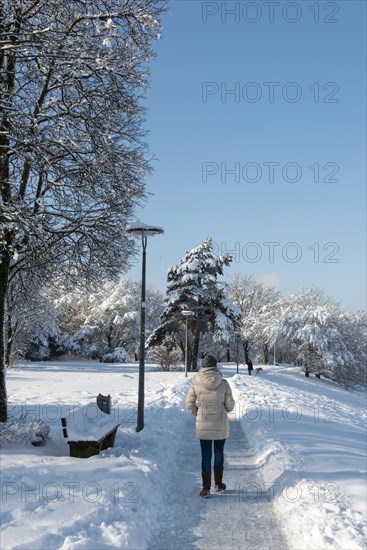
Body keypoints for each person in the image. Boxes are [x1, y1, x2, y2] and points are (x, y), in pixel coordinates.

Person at [186, 354, 235, 497]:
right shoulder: (224, 383)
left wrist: (197, 412)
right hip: (220, 421)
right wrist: (224, 408)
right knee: (219, 452)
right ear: (215, 366)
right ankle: (219, 484)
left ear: (203, 366)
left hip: (204, 421)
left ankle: (206, 488)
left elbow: (189, 403)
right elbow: (230, 405)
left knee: (205, 455)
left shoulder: (196, 383)